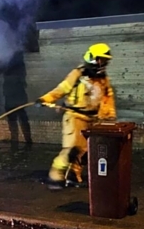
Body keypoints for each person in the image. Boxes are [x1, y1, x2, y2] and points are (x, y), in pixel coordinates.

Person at [36, 43, 116, 189]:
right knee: (72, 149)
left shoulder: (102, 78)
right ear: (93, 58)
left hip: (92, 119)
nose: (103, 63)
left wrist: (108, 115)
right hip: (75, 117)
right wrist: (45, 99)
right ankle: (55, 178)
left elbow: (107, 97)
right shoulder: (78, 74)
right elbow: (62, 89)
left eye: (105, 61)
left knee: (84, 152)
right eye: (101, 60)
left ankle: (73, 176)